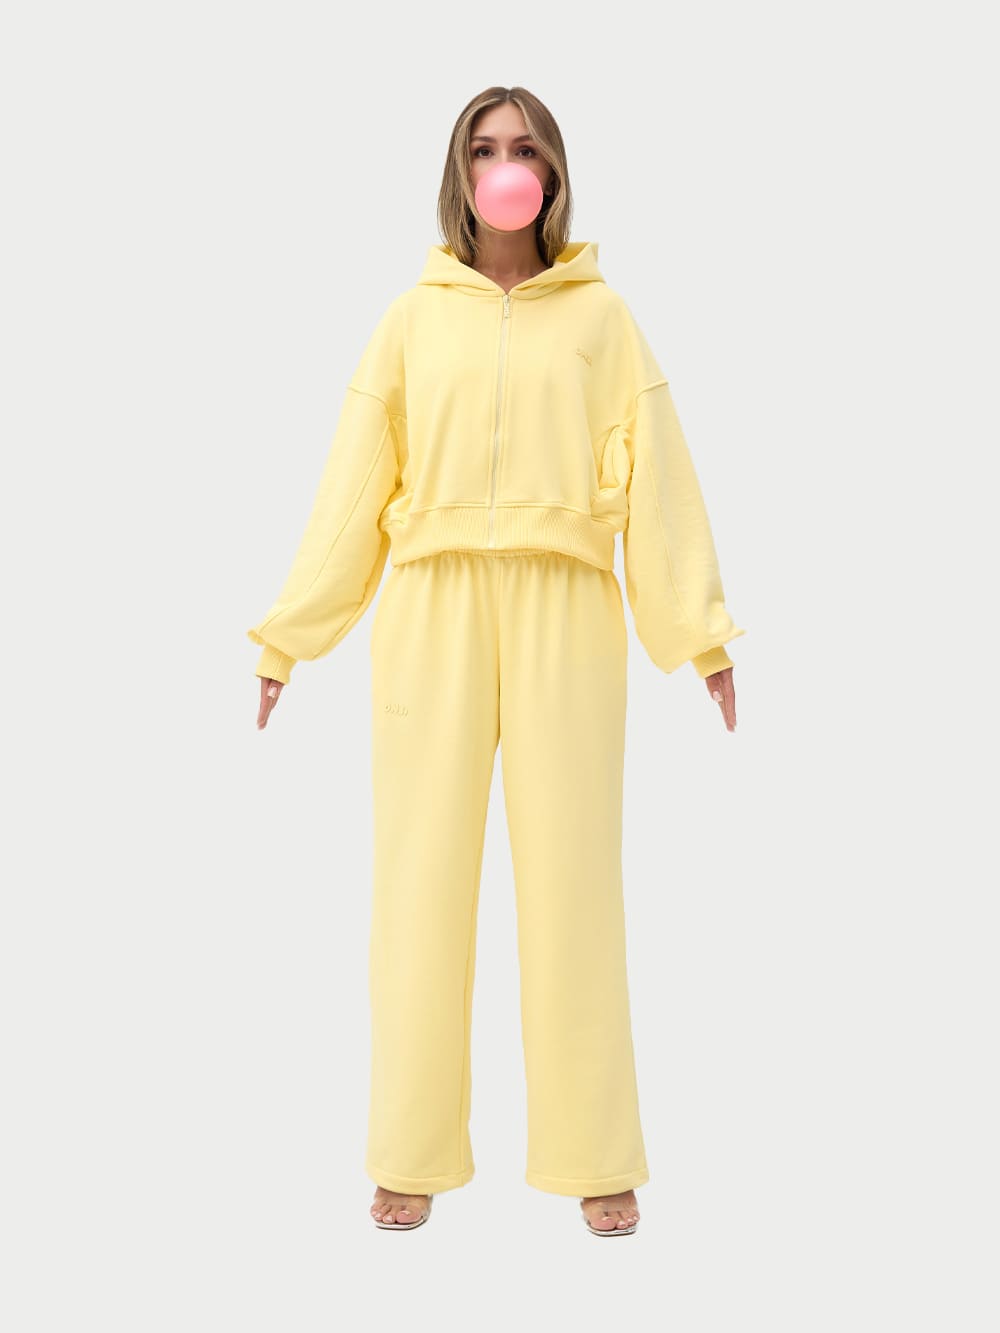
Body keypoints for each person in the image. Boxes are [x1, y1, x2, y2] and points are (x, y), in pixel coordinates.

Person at [247, 85, 745, 1237]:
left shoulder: (603, 318)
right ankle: (409, 1151)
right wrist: (290, 634)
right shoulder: (410, 319)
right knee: (418, 883)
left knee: (574, 884)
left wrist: (699, 631)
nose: (504, 164)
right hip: (432, 605)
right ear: (461, 173)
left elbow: (661, 472)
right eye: (484, 147)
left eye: (523, 147)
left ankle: (594, 1153)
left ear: (550, 172)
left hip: (566, 602)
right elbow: (353, 484)